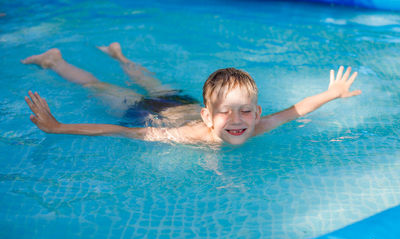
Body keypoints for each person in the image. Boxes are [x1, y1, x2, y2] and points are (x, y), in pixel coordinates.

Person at [23, 42, 361, 145]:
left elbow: (297, 109)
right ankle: (56, 61)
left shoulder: (257, 125)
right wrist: (59, 127)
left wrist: (332, 92)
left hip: (182, 104)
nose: (238, 120)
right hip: (147, 111)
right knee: (95, 86)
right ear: (208, 116)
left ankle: (121, 55)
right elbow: (123, 130)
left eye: (245, 111)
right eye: (227, 113)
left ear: (257, 113)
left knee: (154, 82)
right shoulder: (188, 136)